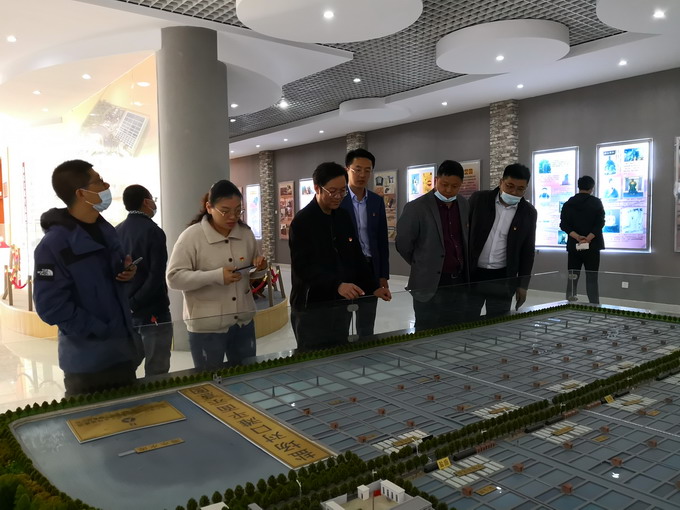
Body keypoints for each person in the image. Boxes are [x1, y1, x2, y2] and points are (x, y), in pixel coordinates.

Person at [33, 160, 141, 396]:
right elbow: (50, 306)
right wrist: (100, 330)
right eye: (99, 181)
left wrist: (126, 274)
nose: (106, 186)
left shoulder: (106, 231)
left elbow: (110, 283)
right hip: (87, 364)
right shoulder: (54, 245)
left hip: (123, 352)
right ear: (81, 193)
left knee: (132, 417)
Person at [289, 162, 391, 351]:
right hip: (311, 307)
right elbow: (303, 268)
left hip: (341, 304)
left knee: (340, 352)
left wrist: (373, 287)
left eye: (342, 191)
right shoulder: (302, 222)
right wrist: (336, 284)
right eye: (332, 191)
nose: (338, 196)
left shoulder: (343, 216)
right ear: (317, 188)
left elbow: (356, 257)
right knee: (313, 356)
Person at [166, 180, 267, 371]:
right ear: (209, 207)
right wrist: (216, 276)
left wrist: (261, 267)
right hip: (207, 326)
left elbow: (252, 272)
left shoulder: (245, 234)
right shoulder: (192, 236)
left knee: (246, 376)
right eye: (225, 211)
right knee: (210, 380)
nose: (233, 217)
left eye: (238, 210)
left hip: (243, 323)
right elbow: (174, 278)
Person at [396, 160, 469, 331]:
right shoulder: (416, 207)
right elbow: (403, 244)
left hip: (458, 281)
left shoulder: (464, 204)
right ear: (436, 180)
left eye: (455, 186)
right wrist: (422, 263)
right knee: (426, 330)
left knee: (455, 330)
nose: (449, 190)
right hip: (428, 283)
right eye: (444, 184)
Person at [116, 185, 173, 376]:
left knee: (126, 364)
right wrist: (137, 302)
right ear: (146, 202)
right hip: (153, 310)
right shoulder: (153, 231)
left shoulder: (117, 231)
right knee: (157, 367)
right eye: (152, 200)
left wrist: (129, 304)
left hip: (127, 311)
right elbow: (156, 275)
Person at [468, 163, 537, 319]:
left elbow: (528, 251)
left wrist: (523, 285)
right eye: (510, 186)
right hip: (473, 274)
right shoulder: (479, 200)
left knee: (498, 322)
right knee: (467, 320)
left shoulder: (528, 213)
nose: (514, 192)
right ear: (501, 182)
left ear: (526, 188)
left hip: (503, 277)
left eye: (520, 189)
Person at [339, 148, 391, 337]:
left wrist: (383, 274)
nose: (362, 175)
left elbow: (381, 240)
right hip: (346, 269)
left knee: (366, 324)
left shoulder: (376, 201)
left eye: (367, 170)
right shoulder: (339, 200)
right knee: (341, 322)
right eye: (357, 169)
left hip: (370, 268)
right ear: (347, 169)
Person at [559, 175, 605, 304]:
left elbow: (563, 225)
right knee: (592, 277)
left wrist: (578, 237)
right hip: (592, 246)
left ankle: (569, 303)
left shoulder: (569, 203)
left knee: (572, 277)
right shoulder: (596, 202)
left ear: (578, 186)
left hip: (574, 245)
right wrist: (588, 238)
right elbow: (600, 223)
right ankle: (594, 305)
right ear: (592, 188)